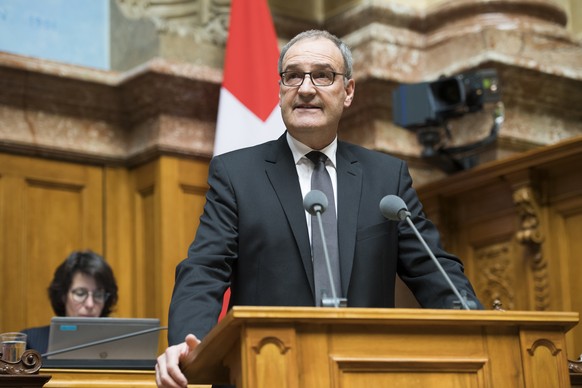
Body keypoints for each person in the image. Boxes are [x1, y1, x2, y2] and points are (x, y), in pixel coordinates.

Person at [155, 29, 483, 388]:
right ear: (280, 91)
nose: (306, 88)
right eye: (293, 75)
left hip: (367, 374)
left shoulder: (386, 177)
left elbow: (433, 269)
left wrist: (477, 326)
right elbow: (204, 269)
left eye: (323, 75)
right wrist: (187, 342)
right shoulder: (236, 174)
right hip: (268, 372)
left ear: (348, 91)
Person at [21, 250, 119, 354]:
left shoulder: (120, 343)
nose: (90, 304)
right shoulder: (30, 343)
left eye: (98, 295)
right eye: (80, 293)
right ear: (63, 296)